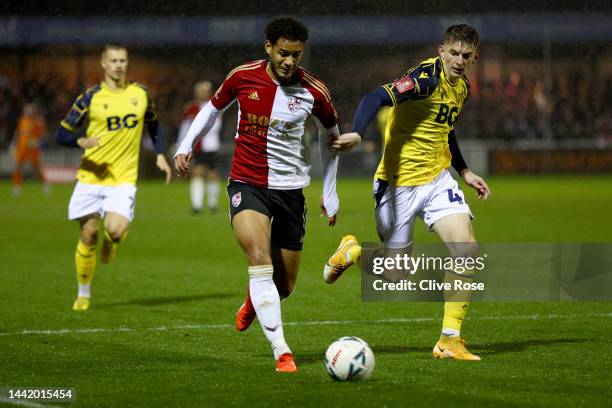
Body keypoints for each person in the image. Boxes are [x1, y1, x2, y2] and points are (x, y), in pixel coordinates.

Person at [175, 17, 360, 373]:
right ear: (268, 48)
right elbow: (211, 111)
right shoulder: (243, 76)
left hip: (291, 192)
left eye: (296, 55)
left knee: (285, 285)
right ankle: (282, 352)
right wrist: (186, 147)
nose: (290, 61)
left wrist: (330, 191)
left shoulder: (315, 92)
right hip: (248, 183)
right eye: (284, 53)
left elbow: (331, 140)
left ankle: (252, 302)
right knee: (258, 257)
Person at [323, 24, 491, 360]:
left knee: (467, 248)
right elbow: (376, 96)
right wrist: (358, 132)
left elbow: (447, 128)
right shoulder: (424, 79)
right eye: (454, 53)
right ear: (442, 51)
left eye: (466, 56)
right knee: (397, 271)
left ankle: (449, 340)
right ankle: (351, 252)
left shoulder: (462, 89)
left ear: (475, 58)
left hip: (437, 180)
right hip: (397, 185)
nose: (459, 61)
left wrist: (464, 170)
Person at [55, 43, 172, 312]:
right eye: (114, 61)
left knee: (115, 230)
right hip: (91, 177)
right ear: (104, 64)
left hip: (123, 178)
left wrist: (160, 153)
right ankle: (83, 293)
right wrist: (80, 140)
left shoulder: (140, 94)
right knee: (89, 233)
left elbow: (154, 124)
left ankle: (112, 241)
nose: (119, 65)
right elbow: (61, 134)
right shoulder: (90, 98)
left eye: (123, 60)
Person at [176, 81, 223, 213]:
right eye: (201, 90)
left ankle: (213, 205)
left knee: (213, 174)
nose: (203, 93)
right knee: (197, 172)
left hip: (212, 146)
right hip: (198, 147)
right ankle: (197, 206)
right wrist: (182, 145)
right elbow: (185, 127)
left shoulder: (216, 105)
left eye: (206, 90)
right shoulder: (191, 108)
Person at [12, 103, 49, 195]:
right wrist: (13, 144)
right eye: (26, 110)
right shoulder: (22, 121)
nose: (28, 112)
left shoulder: (38, 122)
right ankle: (17, 187)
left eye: (29, 110)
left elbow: (43, 135)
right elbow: (18, 133)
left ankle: (45, 185)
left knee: (36, 168)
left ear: (33, 111)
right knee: (17, 166)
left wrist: (38, 142)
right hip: (22, 148)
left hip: (33, 149)